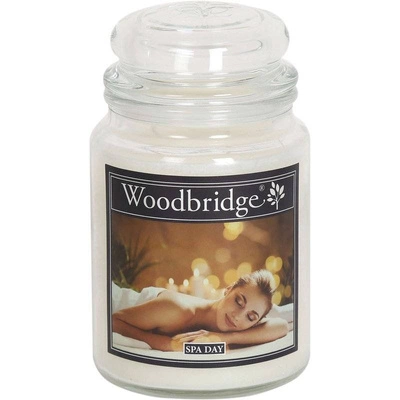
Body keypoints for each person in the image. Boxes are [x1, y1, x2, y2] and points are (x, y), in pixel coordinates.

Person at [112, 269, 292, 352]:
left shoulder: (235, 326)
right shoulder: (177, 309)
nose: (238, 317)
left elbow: (281, 326)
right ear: (228, 289)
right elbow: (113, 320)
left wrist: (226, 338)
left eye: (251, 317)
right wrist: (164, 344)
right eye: (238, 301)